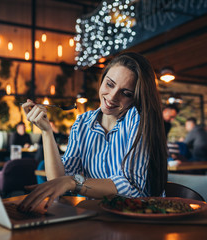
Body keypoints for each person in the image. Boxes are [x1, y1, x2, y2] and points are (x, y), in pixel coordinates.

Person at [18, 52, 168, 211]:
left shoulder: (137, 120)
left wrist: (74, 182)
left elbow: (131, 189)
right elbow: (58, 180)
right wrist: (46, 131)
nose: (112, 97)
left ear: (136, 97)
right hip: (96, 217)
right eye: (110, 84)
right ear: (102, 80)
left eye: (126, 93)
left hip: (137, 219)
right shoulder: (82, 123)